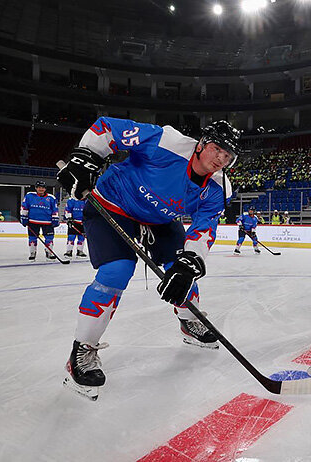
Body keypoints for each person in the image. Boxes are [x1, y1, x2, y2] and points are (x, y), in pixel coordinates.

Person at [56, 118, 238, 400]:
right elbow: (107, 129)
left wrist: (191, 261)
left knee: (182, 270)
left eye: (228, 156)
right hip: (113, 203)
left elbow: (204, 229)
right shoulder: (168, 143)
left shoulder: (218, 188)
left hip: (160, 219)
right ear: (202, 143)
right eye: (217, 149)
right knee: (116, 271)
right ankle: (82, 349)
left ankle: (189, 321)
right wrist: (86, 157)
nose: (221, 159)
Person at [20, 180, 59, 260]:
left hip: (47, 222)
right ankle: (32, 253)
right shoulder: (29, 196)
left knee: (49, 238)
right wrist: (24, 216)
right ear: (36, 188)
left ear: (45, 188)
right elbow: (24, 207)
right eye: (39, 187)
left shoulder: (51, 198)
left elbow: (55, 209)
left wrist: (55, 218)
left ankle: (49, 252)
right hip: (33, 221)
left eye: (42, 188)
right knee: (32, 238)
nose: (41, 189)